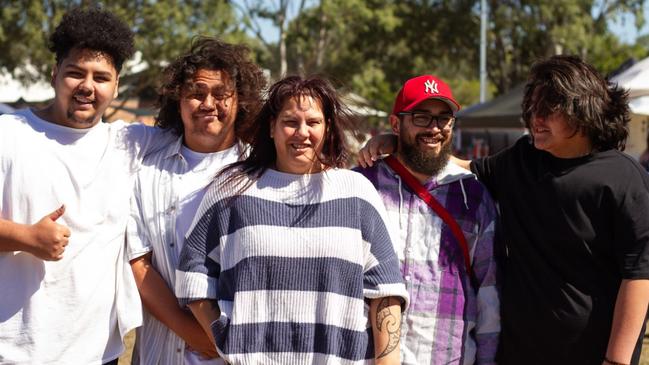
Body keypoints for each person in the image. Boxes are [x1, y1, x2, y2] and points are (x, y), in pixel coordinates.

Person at [358, 55, 649, 365]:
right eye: (532, 108)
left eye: (548, 109)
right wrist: (401, 142)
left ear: (580, 108)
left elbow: (638, 275)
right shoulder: (523, 159)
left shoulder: (624, 178)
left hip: (589, 355)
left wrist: (616, 360)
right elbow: (460, 166)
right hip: (518, 354)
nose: (535, 118)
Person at [175, 76, 409, 364]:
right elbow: (192, 275)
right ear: (272, 127)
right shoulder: (232, 192)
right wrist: (224, 341)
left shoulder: (357, 192)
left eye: (313, 122)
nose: (302, 133)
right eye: (290, 122)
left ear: (327, 128)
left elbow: (386, 292)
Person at [0, 8, 172, 364]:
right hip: (15, 352)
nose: (87, 86)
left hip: (99, 356)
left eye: (101, 77)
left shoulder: (133, 143)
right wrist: (24, 237)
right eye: (75, 73)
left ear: (117, 84)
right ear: (54, 74)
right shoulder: (9, 135)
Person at [127, 37, 266, 365]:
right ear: (178, 101)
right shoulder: (147, 170)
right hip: (161, 352)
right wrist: (195, 334)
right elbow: (139, 262)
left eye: (221, 94)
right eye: (196, 93)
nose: (208, 103)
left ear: (240, 101)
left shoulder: (261, 173)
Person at [354, 75, 500, 364]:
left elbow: (489, 294)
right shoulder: (361, 185)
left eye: (443, 118)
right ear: (396, 124)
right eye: (421, 117)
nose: (434, 128)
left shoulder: (472, 195)